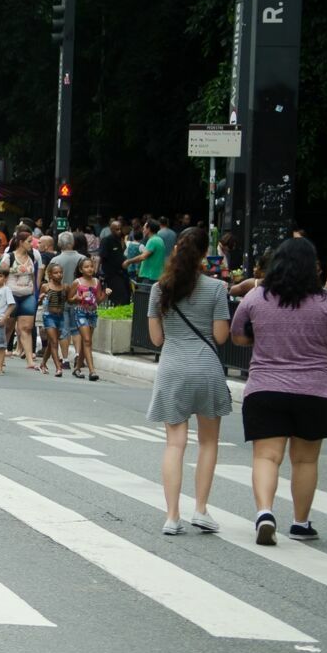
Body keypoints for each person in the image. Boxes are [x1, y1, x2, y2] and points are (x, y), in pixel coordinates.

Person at [230, 235, 327, 544]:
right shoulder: (326, 302)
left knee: (267, 457)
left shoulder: (257, 297)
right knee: (305, 461)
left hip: (265, 388)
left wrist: (265, 339)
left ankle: (265, 512)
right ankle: (301, 522)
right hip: (315, 391)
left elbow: (238, 335)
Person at [143, 227, 231, 534]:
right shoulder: (217, 289)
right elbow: (220, 337)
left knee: (174, 444)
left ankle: (172, 516)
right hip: (206, 369)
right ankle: (202, 510)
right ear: (205, 253)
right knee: (208, 443)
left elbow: (156, 339)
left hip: (172, 369)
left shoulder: (159, 289)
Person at [69, 256, 107, 381]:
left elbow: (99, 300)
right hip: (80, 312)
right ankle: (92, 371)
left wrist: (105, 294)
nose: (90, 269)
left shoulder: (96, 282)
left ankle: (77, 368)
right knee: (86, 340)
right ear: (81, 269)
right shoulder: (77, 282)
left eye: (91, 266)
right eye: (86, 267)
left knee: (87, 341)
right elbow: (69, 299)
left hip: (92, 313)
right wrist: (78, 298)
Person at [6, 233, 41, 366]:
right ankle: (0, 355)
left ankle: (30, 361)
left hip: (27, 295)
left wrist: (34, 292)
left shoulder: (32, 256)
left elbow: (33, 275)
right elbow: (1, 275)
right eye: (29, 241)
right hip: (11, 295)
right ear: (21, 242)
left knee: (26, 328)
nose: (31, 244)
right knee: (8, 327)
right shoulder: (9, 257)